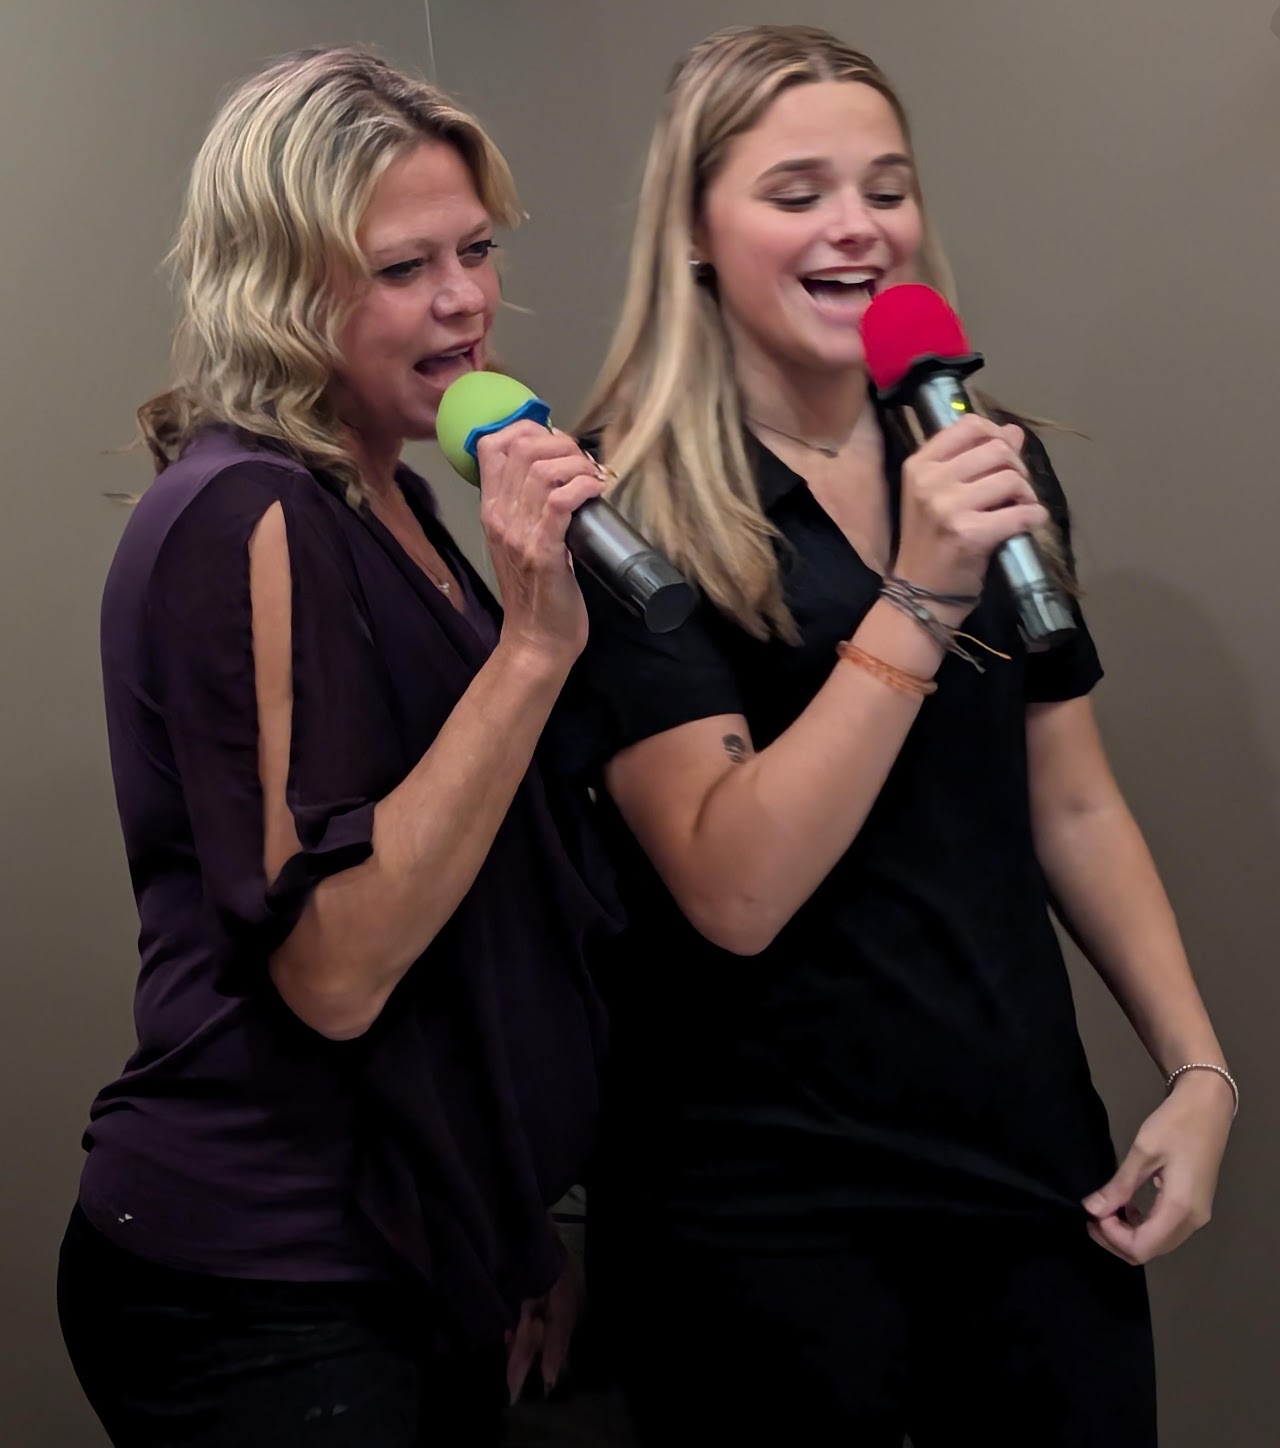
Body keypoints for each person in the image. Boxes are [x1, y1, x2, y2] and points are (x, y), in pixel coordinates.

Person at [557, 24, 1235, 1447]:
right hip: (766, 1210)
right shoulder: (624, 512)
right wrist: (920, 590)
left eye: (887, 184)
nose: (858, 227)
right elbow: (734, 889)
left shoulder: (979, 454)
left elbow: (1074, 806)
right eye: (796, 191)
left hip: (1026, 1169)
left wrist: (1198, 1072)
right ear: (695, 228)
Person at [58, 47, 614, 1447]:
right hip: (269, 1281)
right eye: (401, 268)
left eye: (475, 250)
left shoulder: (398, 505)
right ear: (282, 285)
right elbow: (338, 970)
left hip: (419, 1247)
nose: (467, 301)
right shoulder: (240, 515)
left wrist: (515, 1233)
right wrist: (537, 651)